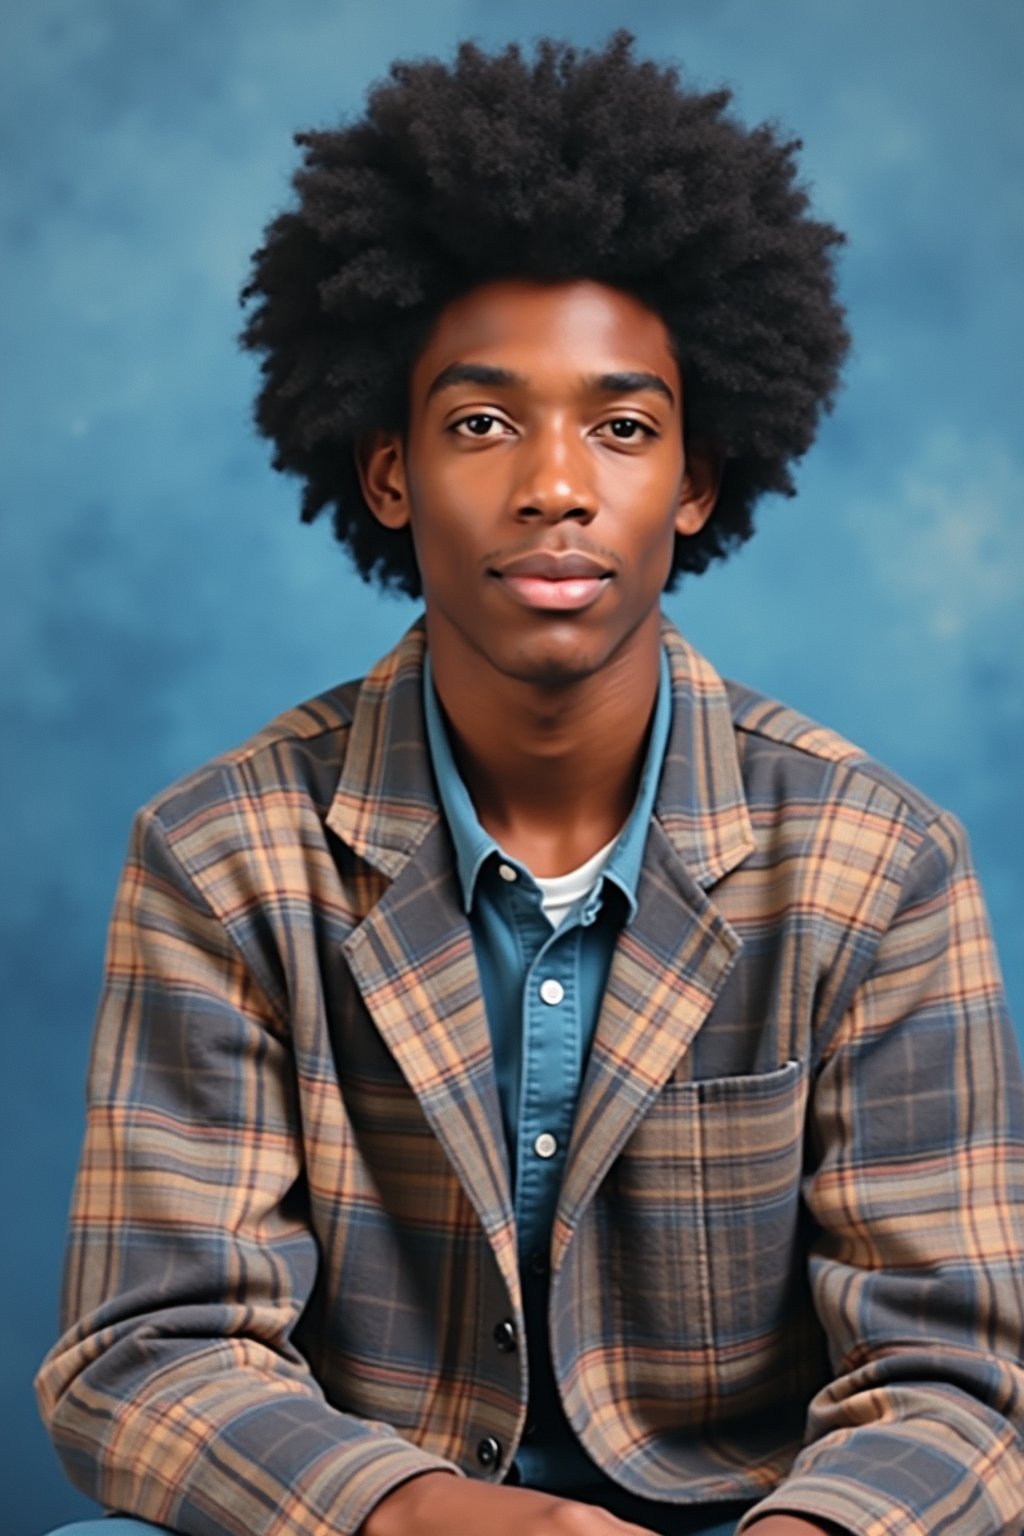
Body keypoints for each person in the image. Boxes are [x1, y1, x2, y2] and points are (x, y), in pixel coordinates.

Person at [36, 33, 1024, 1536]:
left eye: (622, 428)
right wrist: (444, 1519)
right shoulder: (221, 855)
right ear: (389, 472)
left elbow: (962, 1379)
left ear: (696, 479)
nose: (555, 483)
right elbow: (146, 1353)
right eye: (483, 422)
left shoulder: (874, 864)